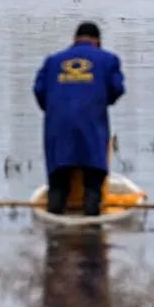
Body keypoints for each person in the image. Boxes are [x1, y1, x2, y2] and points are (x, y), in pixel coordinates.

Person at [33, 21, 125, 216]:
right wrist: (97, 99)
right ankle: (92, 224)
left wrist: (55, 107)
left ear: (74, 40)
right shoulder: (108, 60)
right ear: (98, 41)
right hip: (91, 127)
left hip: (57, 129)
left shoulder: (52, 61)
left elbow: (39, 91)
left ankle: (54, 222)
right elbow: (117, 89)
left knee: (58, 184)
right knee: (93, 184)